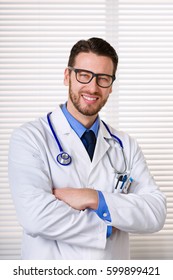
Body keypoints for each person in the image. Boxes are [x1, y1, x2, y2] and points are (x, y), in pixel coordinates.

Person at [8, 37, 166, 260]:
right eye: (84, 75)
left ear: (111, 86)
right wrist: (110, 225)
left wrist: (94, 198)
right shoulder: (30, 138)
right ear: (67, 76)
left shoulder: (125, 145)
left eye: (103, 78)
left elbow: (155, 213)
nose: (93, 87)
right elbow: (35, 216)